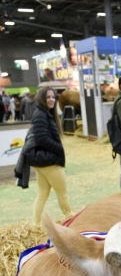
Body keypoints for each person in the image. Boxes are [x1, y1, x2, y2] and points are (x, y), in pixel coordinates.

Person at [30, 87, 72, 224]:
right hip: (49, 162)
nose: (51, 99)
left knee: (42, 193)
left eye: (53, 97)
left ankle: (34, 224)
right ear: (41, 98)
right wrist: (59, 148)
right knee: (63, 194)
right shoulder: (41, 115)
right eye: (48, 97)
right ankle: (72, 221)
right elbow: (41, 138)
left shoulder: (43, 114)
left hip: (42, 162)